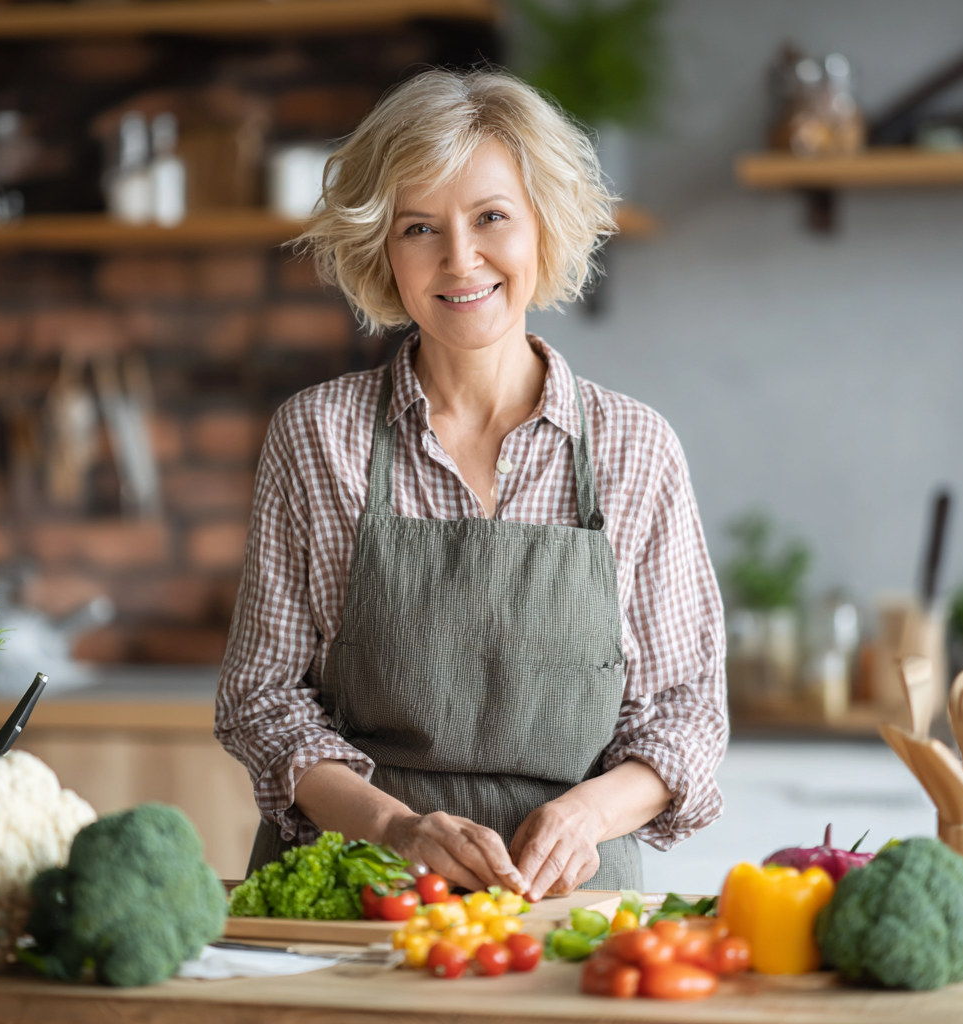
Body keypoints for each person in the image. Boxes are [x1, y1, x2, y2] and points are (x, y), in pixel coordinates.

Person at [215, 69, 727, 901]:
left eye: (492, 217)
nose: (460, 260)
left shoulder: (637, 448)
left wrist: (585, 816)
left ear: (542, 230)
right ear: (383, 246)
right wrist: (395, 828)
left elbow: (686, 715)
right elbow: (263, 700)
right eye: (420, 227)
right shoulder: (317, 436)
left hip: (567, 904)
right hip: (358, 894)